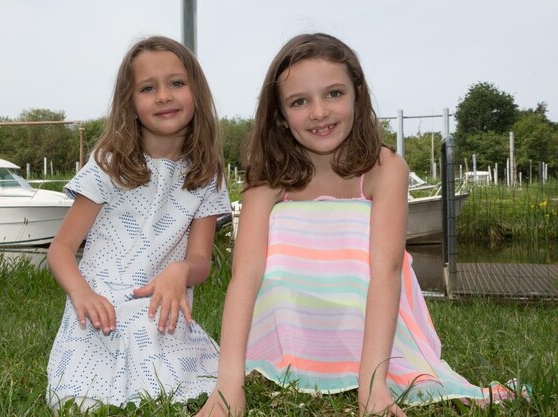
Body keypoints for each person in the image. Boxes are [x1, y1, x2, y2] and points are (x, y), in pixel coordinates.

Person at [196, 33, 516, 417]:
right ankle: (300, 356)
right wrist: (228, 387)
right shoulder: (267, 178)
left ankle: (368, 368)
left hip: (371, 313)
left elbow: (386, 272)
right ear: (280, 116)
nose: (319, 112)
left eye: (333, 94)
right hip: (288, 325)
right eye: (300, 101)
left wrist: (373, 386)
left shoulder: (385, 168)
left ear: (357, 95)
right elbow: (245, 275)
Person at [46, 35, 231, 411]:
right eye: (148, 88)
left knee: (182, 381)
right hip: (99, 314)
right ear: (130, 104)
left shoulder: (206, 174)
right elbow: (61, 249)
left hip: (159, 312)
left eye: (177, 83)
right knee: (84, 394)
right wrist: (82, 294)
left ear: (197, 92)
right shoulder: (108, 165)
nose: (164, 96)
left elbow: (201, 261)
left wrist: (181, 270)